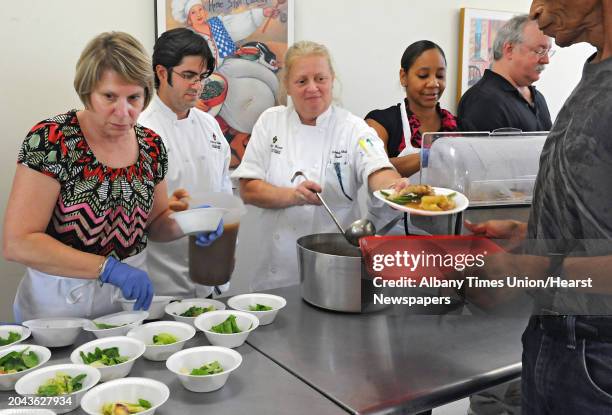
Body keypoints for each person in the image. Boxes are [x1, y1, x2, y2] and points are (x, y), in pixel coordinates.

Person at [2, 32, 210, 322]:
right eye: (109, 96)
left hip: (125, 305)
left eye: (134, 98)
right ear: (87, 91)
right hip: (58, 306)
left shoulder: (151, 146)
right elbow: (19, 242)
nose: (124, 113)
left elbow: (157, 223)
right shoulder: (53, 140)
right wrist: (108, 268)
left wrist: (192, 221)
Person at [465, 0, 612, 412]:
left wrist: (536, 268)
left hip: (598, 352)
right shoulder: (594, 74)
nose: (536, 8)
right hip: (554, 340)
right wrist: (533, 232)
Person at [231, 41, 407, 291]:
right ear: (288, 86)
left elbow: (378, 168)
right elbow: (249, 189)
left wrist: (394, 186)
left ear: (332, 79)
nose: (312, 88)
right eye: (302, 81)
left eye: (320, 78)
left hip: (336, 270)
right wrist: (293, 196)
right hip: (276, 273)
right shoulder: (271, 122)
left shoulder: (353, 129)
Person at [139, 28, 232, 299]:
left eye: (202, 77)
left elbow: (224, 191)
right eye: (188, 76)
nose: (198, 85)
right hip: (163, 284)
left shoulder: (210, 126)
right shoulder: (141, 130)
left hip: (213, 277)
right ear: (161, 72)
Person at [365, 41, 458, 178]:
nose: (434, 83)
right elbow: (375, 167)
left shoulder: (460, 126)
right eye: (423, 75)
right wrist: (430, 155)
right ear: (403, 77)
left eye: (440, 76)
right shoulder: (379, 122)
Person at [457, 15, 553, 132]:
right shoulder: (483, 101)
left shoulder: (538, 98)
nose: (546, 60)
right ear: (509, 50)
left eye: (548, 51)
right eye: (540, 51)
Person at [171, 0, 281, 68]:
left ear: (204, 12)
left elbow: (238, 23)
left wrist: (263, 13)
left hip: (228, 65)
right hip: (207, 77)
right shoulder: (189, 36)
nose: (198, 14)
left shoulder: (217, 23)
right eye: (193, 12)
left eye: (200, 9)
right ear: (189, 19)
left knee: (264, 75)